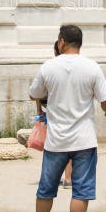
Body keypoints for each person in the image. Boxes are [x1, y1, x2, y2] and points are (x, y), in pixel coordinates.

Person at [26, 24, 106, 212]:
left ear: (61, 42)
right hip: (84, 139)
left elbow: (33, 93)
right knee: (81, 189)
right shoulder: (92, 67)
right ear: (80, 43)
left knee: (46, 188)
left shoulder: (48, 67)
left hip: (56, 140)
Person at [36, 41, 72, 188]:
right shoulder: (74, 68)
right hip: (69, 113)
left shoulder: (48, 67)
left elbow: (36, 93)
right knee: (69, 147)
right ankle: (68, 179)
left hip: (51, 112)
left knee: (53, 146)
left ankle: (53, 177)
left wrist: (39, 110)